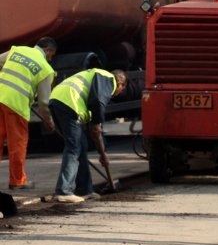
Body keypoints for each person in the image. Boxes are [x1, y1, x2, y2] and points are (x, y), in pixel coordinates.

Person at [49, 68, 128, 204]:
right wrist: (97, 122)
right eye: (121, 90)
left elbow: (94, 131)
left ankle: (85, 189)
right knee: (74, 148)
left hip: (58, 99)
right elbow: (98, 101)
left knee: (81, 145)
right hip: (69, 102)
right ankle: (63, 191)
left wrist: (102, 152)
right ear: (120, 83)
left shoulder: (93, 80)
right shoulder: (108, 79)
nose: (118, 93)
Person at [0, 37, 57, 189]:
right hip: (16, 105)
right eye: (51, 56)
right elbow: (44, 103)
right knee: (17, 144)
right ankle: (17, 181)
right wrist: (49, 122)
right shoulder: (46, 69)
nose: (50, 59)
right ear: (48, 50)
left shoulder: (17, 50)